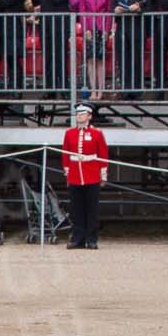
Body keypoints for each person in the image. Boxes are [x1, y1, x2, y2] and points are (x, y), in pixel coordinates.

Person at [61, 101, 107, 249]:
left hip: (92, 174)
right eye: (78, 114)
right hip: (75, 174)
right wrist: (68, 174)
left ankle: (91, 239)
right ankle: (77, 238)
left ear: (89, 116)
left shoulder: (97, 134)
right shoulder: (69, 133)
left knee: (91, 209)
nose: (79, 116)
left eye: (82, 114)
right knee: (76, 210)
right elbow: (66, 155)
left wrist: (103, 175)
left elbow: (103, 154)